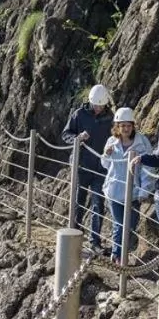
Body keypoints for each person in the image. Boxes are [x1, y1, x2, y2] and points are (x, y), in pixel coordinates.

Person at [62, 85, 114, 252]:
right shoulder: (79, 114)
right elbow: (66, 134)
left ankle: (95, 242)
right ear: (90, 102)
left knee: (98, 203)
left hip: (101, 168)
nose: (98, 108)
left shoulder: (110, 117)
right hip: (82, 166)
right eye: (96, 105)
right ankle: (75, 236)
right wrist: (77, 138)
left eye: (102, 106)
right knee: (79, 201)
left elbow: (116, 137)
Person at [100, 107, 153, 264]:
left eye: (128, 125)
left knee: (129, 225)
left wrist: (145, 190)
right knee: (119, 224)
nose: (125, 128)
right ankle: (118, 257)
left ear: (133, 125)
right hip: (115, 190)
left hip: (133, 192)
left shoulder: (142, 142)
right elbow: (105, 165)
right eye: (122, 125)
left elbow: (148, 168)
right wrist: (106, 154)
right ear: (117, 126)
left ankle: (123, 253)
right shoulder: (111, 142)